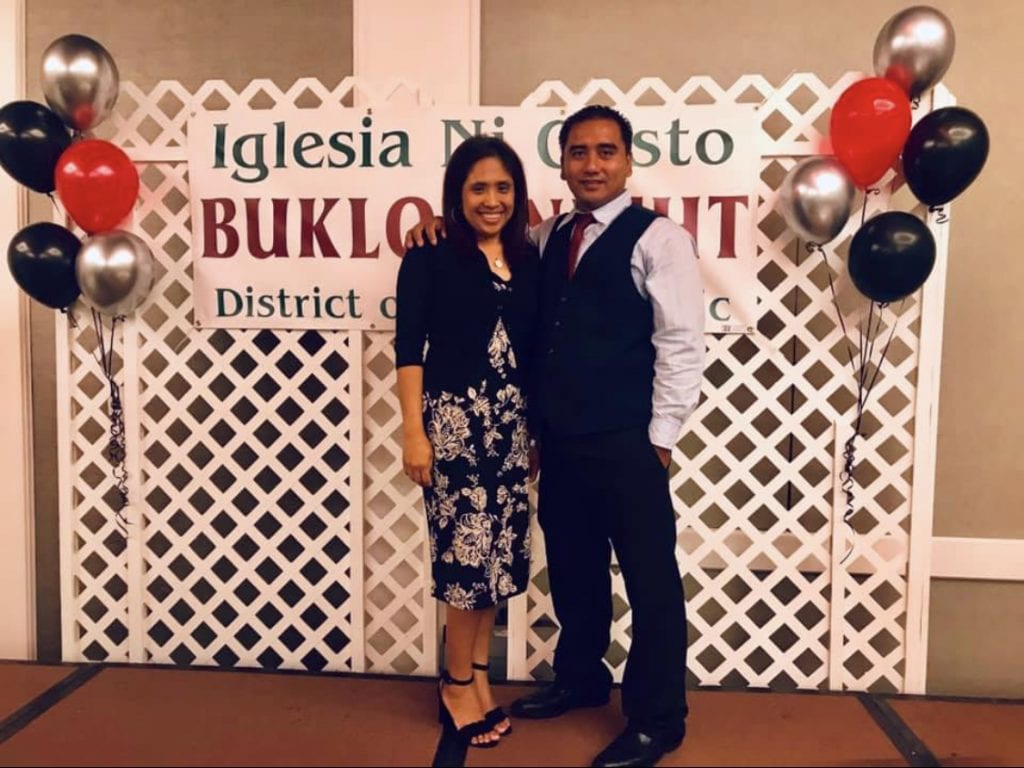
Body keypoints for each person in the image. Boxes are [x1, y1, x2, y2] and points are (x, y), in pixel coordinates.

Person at [406, 105, 705, 767]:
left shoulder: (661, 240)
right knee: (573, 569)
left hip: (629, 438)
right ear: (563, 162)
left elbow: (682, 343)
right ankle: (580, 677)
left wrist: (661, 437)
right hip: (559, 438)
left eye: (604, 151)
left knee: (651, 579)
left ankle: (658, 718)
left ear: (627, 160)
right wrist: (436, 223)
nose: (591, 164)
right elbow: (485, 246)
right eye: (577, 152)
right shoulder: (543, 239)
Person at [395, 135, 540, 749]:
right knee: (464, 561)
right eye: (478, 187)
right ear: (457, 194)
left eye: (502, 187)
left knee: (497, 562)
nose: (491, 200)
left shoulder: (527, 255)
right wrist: (414, 432)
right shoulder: (430, 256)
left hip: (511, 429)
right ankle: (455, 685)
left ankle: (478, 675)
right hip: (454, 427)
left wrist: (533, 432)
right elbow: (409, 349)